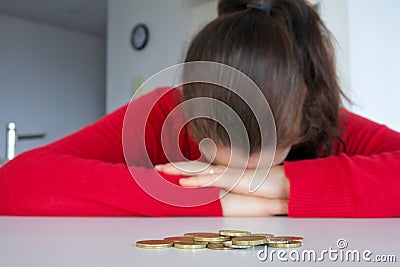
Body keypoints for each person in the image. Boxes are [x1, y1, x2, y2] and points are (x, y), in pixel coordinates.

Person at [1, 0, 399, 217]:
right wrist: (213, 200)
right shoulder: (163, 110)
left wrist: (283, 188)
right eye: (216, 161)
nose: (236, 180)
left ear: (301, 120)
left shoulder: (322, 120)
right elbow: (14, 183)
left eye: (255, 170)